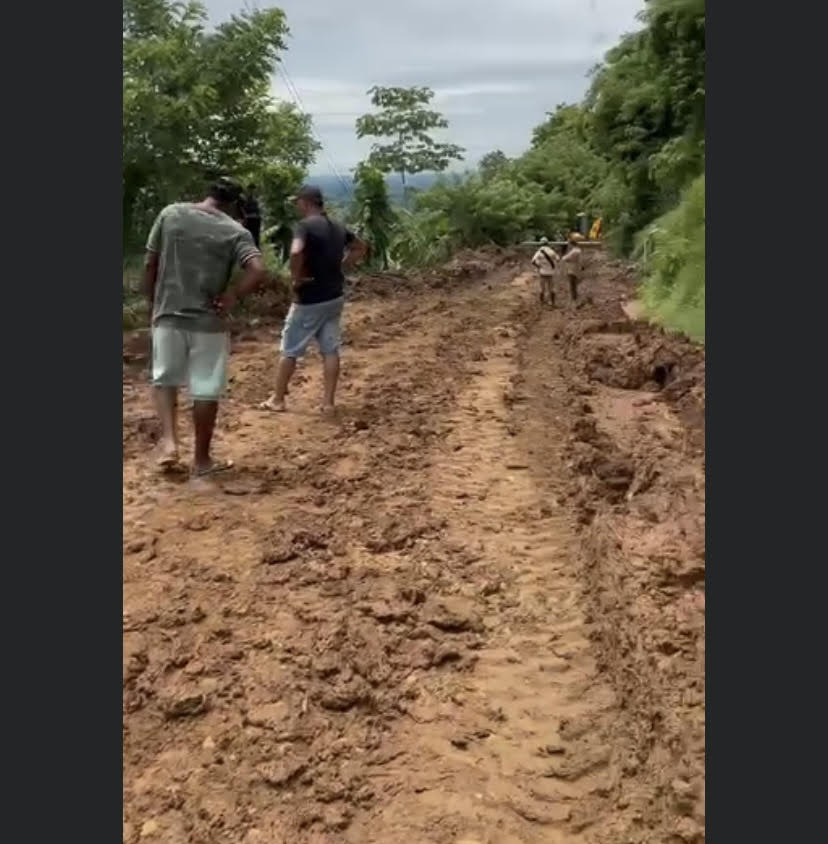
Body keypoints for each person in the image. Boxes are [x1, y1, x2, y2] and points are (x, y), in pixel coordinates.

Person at [143, 176, 267, 482]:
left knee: (165, 379)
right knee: (205, 389)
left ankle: (170, 442)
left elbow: (150, 263)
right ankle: (201, 460)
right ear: (235, 204)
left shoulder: (171, 214)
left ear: (209, 194)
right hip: (209, 322)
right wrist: (233, 296)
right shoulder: (236, 231)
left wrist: (152, 304)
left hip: (168, 314)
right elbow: (257, 270)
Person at [259, 185, 366, 415]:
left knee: (290, 349)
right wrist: (342, 265)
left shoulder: (304, 226)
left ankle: (277, 399)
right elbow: (360, 247)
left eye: (297, 202)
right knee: (330, 349)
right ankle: (328, 403)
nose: (296, 206)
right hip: (334, 295)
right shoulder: (338, 226)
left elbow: (296, 252)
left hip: (309, 298)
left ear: (305, 203)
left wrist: (296, 278)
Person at [531, 236, 560, 306]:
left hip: (542, 272)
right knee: (552, 288)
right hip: (551, 272)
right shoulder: (551, 251)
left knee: (542, 288)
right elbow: (558, 259)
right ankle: (552, 302)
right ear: (547, 243)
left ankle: (542, 302)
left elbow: (533, 261)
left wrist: (539, 266)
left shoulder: (539, 252)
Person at [561, 234, 584, 303]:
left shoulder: (574, 251)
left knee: (572, 286)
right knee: (574, 285)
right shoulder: (578, 250)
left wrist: (564, 255)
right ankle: (575, 298)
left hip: (572, 270)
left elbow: (565, 258)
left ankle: (574, 299)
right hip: (576, 269)